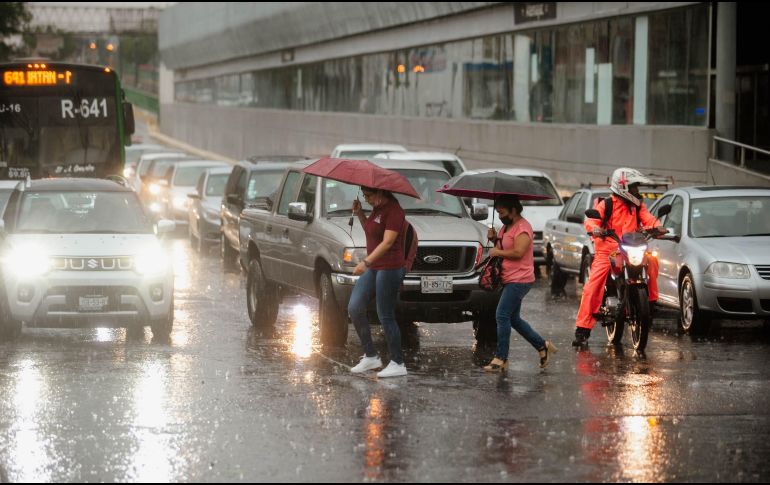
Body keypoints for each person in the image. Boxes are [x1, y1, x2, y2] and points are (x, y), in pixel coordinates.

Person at [572, 168, 666, 347]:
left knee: (652, 260)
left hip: (631, 249)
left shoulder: (637, 206)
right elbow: (592, 221)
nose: (637, 191)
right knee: (592, 286)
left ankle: (651, 303)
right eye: (634, 187)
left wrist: (658, 227)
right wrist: (595, 228)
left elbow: (649, 219)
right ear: (623, 187)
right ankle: (582, 328)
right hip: (608, 251)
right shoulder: (606, 205)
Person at [483, 195, 557, 372]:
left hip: (520, 279)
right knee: (513, 319)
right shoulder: (507, 227)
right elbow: (504, 246)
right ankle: (542, 346)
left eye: (502, 212)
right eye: (497, 213)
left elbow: (518, 252)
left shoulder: (523, 228)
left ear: (513, 210)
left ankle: (501, 358)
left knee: (501, 315)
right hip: (508, 278)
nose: (499, 216)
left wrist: (497, 252)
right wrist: (494, 239)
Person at [348, 186, 408, 378]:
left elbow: (388, 241)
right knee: (355, 307)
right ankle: (371, 356)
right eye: (364, 196)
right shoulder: (377, 209)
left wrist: (366, 262)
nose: (367, 199)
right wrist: (359, 214)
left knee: (385, 315)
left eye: (369, 196)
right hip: (375, 268)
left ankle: (398, 362)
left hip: (389, 267)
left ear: (381, 192)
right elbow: (370, 231)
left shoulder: (394, 211)